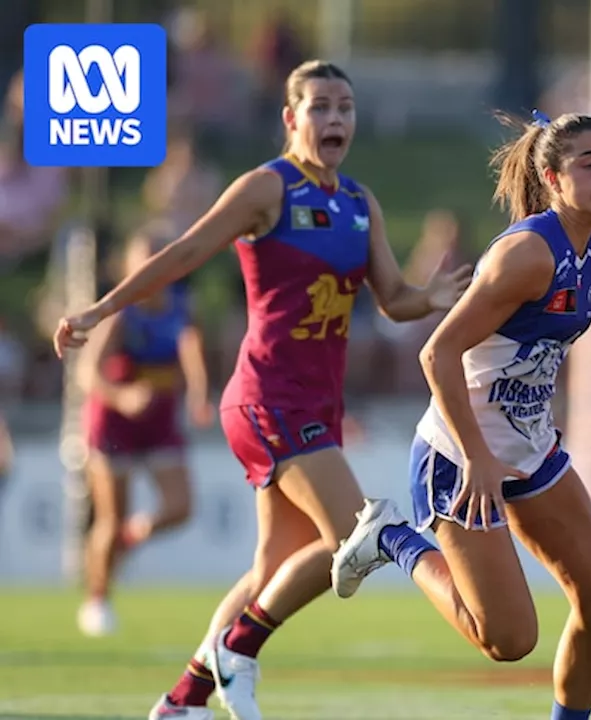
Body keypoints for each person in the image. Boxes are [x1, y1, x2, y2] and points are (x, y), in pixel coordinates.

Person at [53, 59, 471, 720]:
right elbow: (186, 252)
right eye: (320, 107)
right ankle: (237, 652)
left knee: (271, 569)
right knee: (352, 537)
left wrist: (432, 296)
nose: (335, 119)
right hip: (267, 396)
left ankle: (181, 702)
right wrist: (101, 309)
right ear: (290, 118)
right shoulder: (268, 190)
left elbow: (391, 299)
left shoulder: (361, 203)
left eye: (345, 108)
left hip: (317, 406)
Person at [329, 110, 591, 720]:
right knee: (509, 641)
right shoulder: (525, 255)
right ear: (552, 178)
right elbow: (438, 353)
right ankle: (390, 538)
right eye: (588, 162)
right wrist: (480, 460)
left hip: (530, 450)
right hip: (460, 456)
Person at [75, 230, 214, 637]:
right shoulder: (123, 312)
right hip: (114, 418)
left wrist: (200, 395)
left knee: (180, 506)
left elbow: (192, 352)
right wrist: (121, 397)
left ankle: (133, 535)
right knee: (109, 517)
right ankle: (97, 599)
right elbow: (88, 373)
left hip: (160, 416)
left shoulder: (180, 307)